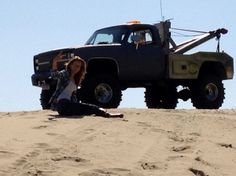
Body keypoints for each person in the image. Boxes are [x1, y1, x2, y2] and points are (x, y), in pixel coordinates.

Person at [49, 52, 123, 118]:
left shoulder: (76, 79)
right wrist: (55, 62)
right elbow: (55, 75)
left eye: (79, 66)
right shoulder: (65, 74)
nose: (77, 68)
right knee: (88, 108)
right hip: (62, 104)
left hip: (70, 105)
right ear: (70, 65)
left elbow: (73, 96)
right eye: (75, 65)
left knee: (88, 108)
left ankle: (105, 114)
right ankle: (106, 114)